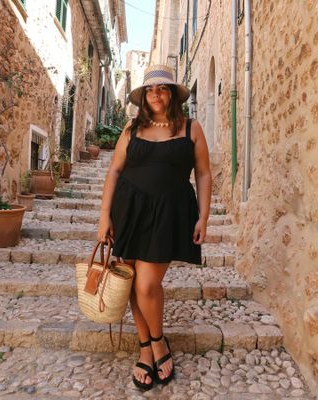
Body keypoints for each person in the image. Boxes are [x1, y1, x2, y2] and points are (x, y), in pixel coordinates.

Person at [97, 64, 212, 390]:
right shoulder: (131, 129)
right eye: (150, 89)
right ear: (143, 97)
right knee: (132, 280)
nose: (156, 94)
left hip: (169, 213)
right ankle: (147, 348)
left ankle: (157, 341)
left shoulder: (191, 128)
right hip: (129, 210)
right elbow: (115, 171)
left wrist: (204, 216)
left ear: (172, 94)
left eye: (162, 88)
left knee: (147, 284)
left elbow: (203, 174)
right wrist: (104, 216)